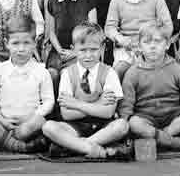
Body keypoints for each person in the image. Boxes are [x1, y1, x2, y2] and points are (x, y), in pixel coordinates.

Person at [42, 23, 131, 160]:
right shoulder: (67, 74)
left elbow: (108, 112)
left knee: (122, 125)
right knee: (48, 127)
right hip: (75, 127)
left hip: (103, 126)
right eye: (83, 50)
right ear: (73, 50)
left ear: (102, 49)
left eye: (94, 50)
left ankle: (75, 147)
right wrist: (98, 103)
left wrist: (76, 104)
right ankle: (92, 148)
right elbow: (66, 114)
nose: (88, 55)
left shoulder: (109, 73)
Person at [119, 23, 180, 152]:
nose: (153, 46)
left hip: (173, 119)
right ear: (140, 47)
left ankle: (161, 139)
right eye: (147, 42)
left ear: (167, 45)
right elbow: (126, 106)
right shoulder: (133, 73)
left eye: (158, 41)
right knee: (134, 123)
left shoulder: (176, 68)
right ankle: (177, 143)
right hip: (146, 119)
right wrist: (126, 127)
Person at [0, 14, 53, 153]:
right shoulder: (0, 69)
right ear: (7, 43)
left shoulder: (41, 71)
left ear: (34, 43)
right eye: (15, 43)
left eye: (26, 43)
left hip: (28, 125)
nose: (21, 49)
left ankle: (5, 142)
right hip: (3, 123)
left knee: (41, 122)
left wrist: (34, 117)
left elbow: (48, 101)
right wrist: (0, 118)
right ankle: (19, 146)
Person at [105, 0, 173, 80]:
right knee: (118, 70)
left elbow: (168, 27)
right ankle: (118, 98)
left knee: (151, 73)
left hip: (151, 46)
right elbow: (109, 28)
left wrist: (152, 40)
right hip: (127, 48)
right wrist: (120, 39)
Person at [44, 0, 96, 79]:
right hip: (59, 50)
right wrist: (59, 49)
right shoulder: (53, 1)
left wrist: (76, 51)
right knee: (51, 74)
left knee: (68, 75)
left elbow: (93, 29)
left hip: (83, 50)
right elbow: (51, 32)